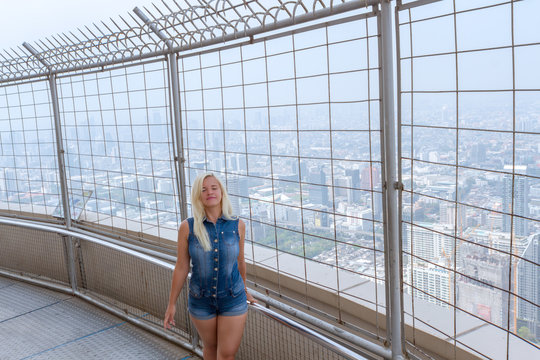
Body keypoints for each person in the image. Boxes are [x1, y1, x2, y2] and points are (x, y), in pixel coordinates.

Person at [164, 172, 256, 360]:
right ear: (198, 196)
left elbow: (240, 262)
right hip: (201, 300)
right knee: (211, 348)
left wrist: (245, 290)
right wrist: (171, 304)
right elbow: (181, 267)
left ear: (222, 192)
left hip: (232, 298)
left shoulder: (238, 225)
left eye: (214, 188)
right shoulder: (187, 227)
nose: (210, 192)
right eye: (204, 189)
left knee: (227, 354)